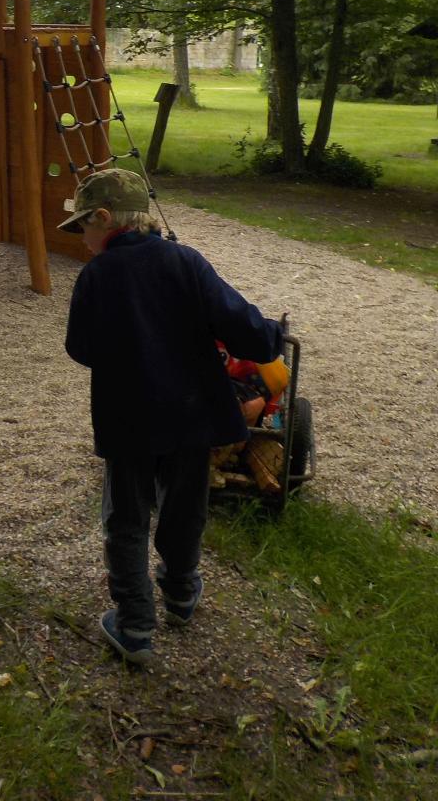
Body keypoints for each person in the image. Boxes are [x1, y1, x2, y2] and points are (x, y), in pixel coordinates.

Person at [61, 169, 284, 667]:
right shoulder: (186, 261)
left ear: (105, 218)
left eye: (84, 227)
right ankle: (181, 592)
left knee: (126, 517)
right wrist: (270, 335)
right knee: (184, 508)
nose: (83, 239)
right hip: (192, 415)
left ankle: (135, 624)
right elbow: (238, 322)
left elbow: (81, 348)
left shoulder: (97, 276)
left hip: (128, 418)